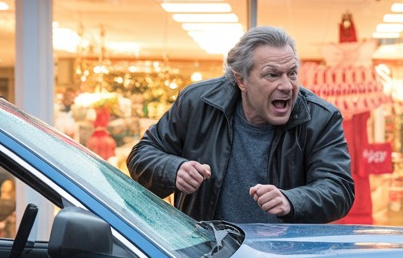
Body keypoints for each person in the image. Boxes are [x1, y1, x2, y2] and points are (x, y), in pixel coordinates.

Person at [128, 26, 354, 224]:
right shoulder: (198, 103)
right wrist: (173, 169)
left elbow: (338, 189)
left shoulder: (321, 118)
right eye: (272, 75)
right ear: (241, 80)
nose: (286, 85)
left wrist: (292, 200)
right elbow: (141, 155)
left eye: (292, 73)